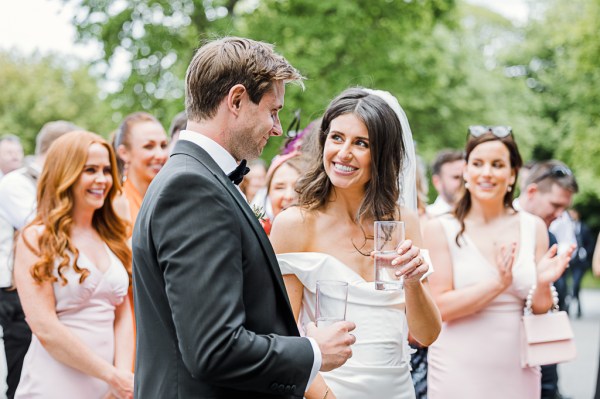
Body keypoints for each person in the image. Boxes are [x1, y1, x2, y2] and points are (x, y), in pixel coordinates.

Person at [132, 36, 356, 399]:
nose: (278, 128)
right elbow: (213, 349)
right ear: (236, 100)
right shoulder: (192, 188)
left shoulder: (198, 177)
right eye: (273, 111)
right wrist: (313, 351)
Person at [271, 87, 442, 399]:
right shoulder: (296, 224)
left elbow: (427, 334)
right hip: (326, 392)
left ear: (381, 154)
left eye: (361, 143)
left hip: (397, 390)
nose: (344, 153)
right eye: (337, 138)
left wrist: (414, 282)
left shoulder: (400, 222)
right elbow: (282, 337)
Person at [425, 126, 574, 399]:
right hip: (456, 370)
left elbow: (541, 311)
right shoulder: (439, 229)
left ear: (512, 174)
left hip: (519, 368)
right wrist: (497, 284)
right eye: (478, 164)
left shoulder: (534, 227)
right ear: (467, 172)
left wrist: (543, 284)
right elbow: (439, 308)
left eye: (497, 165)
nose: (487, 173)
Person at [13, 131, 134, 398]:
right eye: (89, 170)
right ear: (65, 173)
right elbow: (45, 327)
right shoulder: (36, 238)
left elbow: (124, 312)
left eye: (106, 170)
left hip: (112, 387)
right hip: (54, 384)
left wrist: (123, 380)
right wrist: (112, 375)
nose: (102, 179)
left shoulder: (111, 236)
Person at [0, 120, 79, 399]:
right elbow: (43, 227)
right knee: (20, 372)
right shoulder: (15, 183)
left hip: (49, 287)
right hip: (13, 292)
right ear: (58, 149)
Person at [517, 160, 579, 399]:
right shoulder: (499, 227)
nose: (559, 214)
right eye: (555, 205)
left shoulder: (550, 234)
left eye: (564, 208)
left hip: (543, 341)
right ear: (532, 192)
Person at [566, 208, 594, 318]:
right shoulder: (566, 227)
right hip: (569, 261)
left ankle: (568, 306)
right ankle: (577, 307)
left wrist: (585, 252)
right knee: (567, 285)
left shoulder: (584, 228)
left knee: (575, 284)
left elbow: (590, 244)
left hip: (580, 262)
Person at [426, 149, 465, 217]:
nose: (463, 181)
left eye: (466, 176)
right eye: (456, 177)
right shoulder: (425, 218)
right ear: (437, 182)